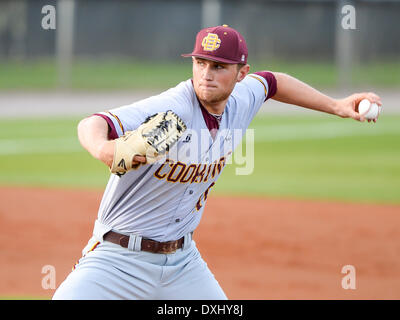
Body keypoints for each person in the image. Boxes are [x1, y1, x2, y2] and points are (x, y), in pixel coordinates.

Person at [53, 24, 381, 300]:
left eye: (218, 67)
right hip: (117, 260)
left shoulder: (242, 99)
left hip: (182, 264)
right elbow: (92, 123)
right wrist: (104, 150)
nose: (206, 75)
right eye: (200, 63)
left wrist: (337, 105)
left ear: (241, 73)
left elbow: (274, 82)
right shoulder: (173, 107)